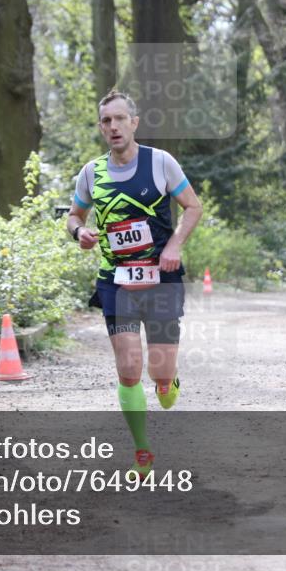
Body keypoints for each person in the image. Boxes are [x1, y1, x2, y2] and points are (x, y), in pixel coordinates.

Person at [66, 90, 203, 480]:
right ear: (101, 127)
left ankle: (166, 382)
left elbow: (193, 206)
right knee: (128, 368)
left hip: (161, 280)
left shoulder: (160, 163)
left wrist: (174, 245)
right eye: (106, 121)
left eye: (120, 119)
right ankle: (142, 450)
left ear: (134, 123)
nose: (113, 127)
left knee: (160, 375)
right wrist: (80, 232)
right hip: (117, 281)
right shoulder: (92, 172)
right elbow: (74, 216)